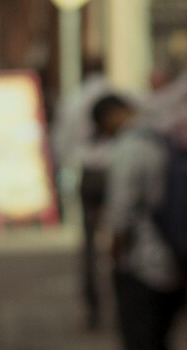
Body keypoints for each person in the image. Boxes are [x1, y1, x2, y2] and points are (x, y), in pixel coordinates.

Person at [95, 93, 187, 350]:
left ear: (115, 115)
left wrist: (114, 259)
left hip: (143, 265)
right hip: (172, 262)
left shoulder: (130, 149)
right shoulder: (162, 139)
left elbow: (120, 214)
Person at [51, 57, 113, 330]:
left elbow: (61, 142)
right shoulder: (116, 95)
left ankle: (93, 307)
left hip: (88, 173)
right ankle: (119, 304)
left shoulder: (73, 100)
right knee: (120, 237)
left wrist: (66, 168)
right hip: (114, 170)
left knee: (89, 244)